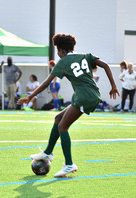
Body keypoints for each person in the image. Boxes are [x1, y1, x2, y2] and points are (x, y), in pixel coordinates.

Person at [18, 33, 119, 178]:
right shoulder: (86, 56)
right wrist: (113, 86)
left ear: (61, 50)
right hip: (90, 95)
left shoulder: (63, 61)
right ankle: (47, 153)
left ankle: (69, 164)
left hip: (84, 97)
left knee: (63, 127)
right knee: (58, 118)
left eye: (57, 51)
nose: (58, 54)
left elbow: (46, 83)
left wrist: (30, 96)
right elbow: (105, 65)